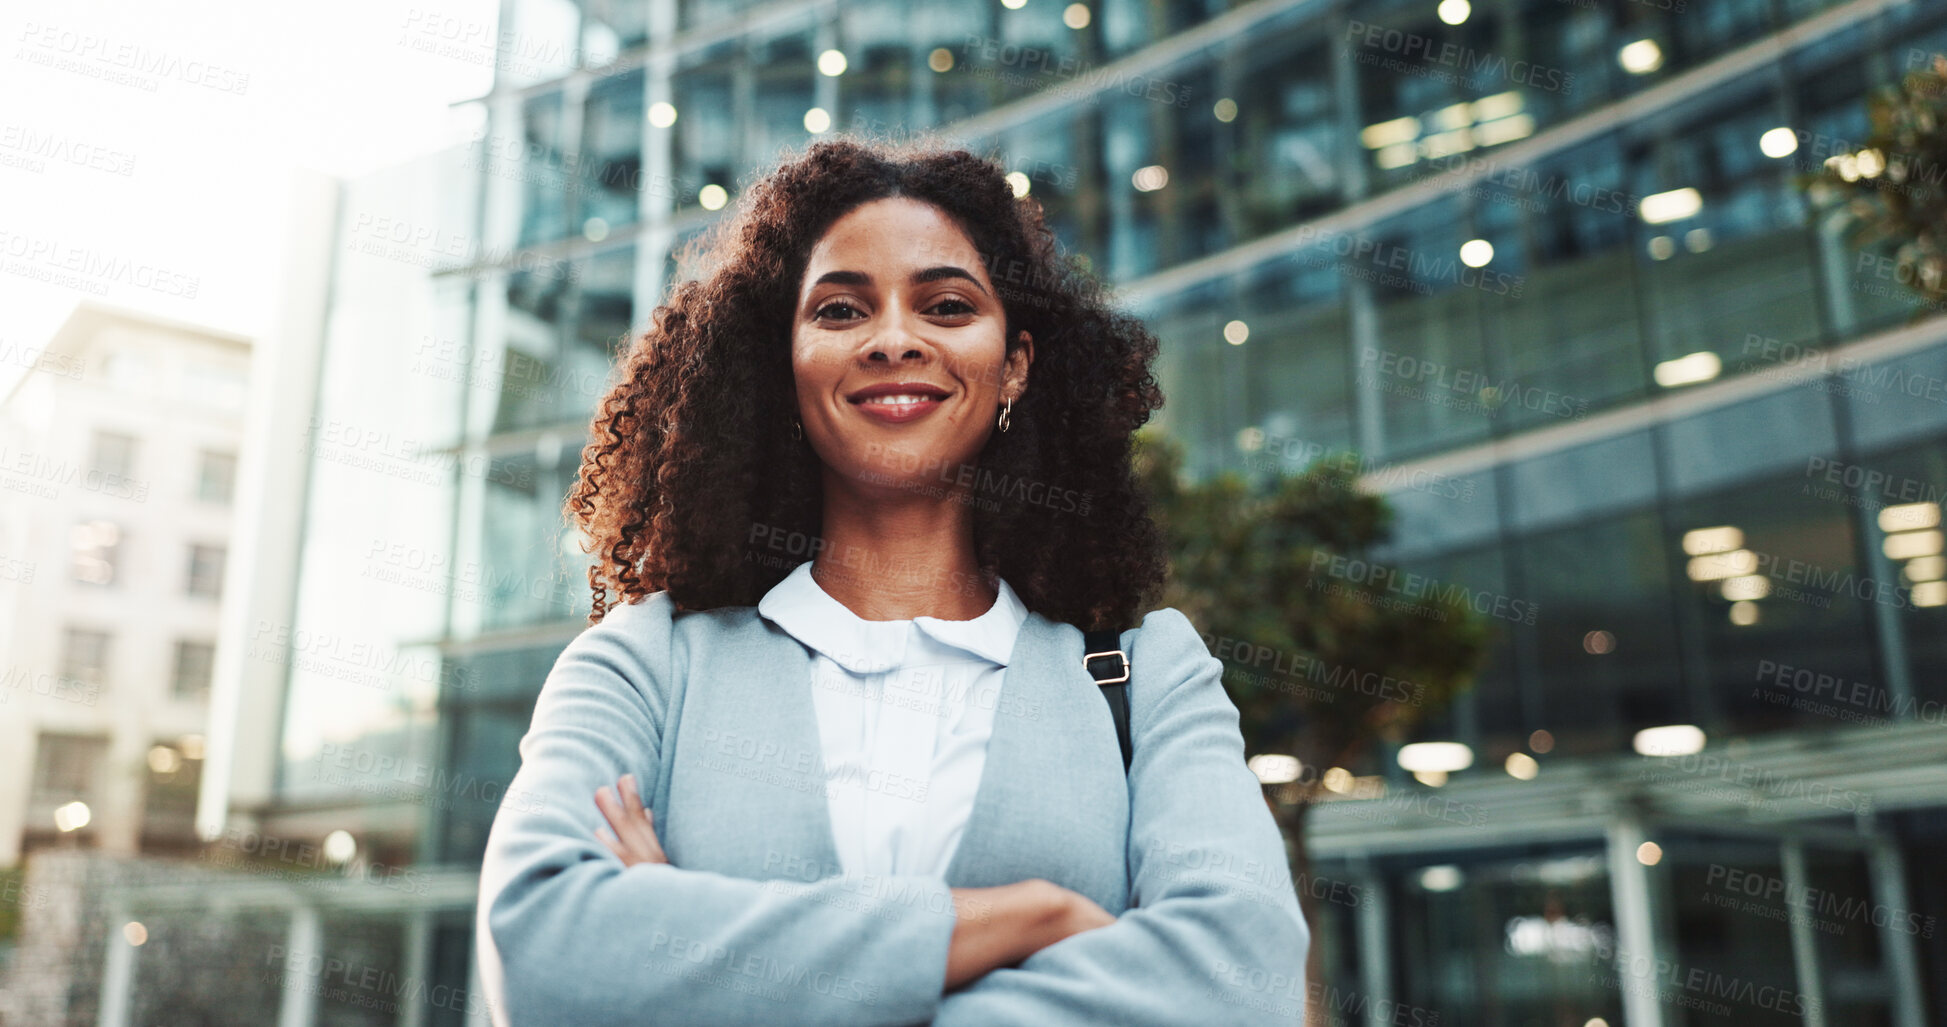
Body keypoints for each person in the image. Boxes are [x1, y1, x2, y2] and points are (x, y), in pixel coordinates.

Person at [474, 138, 1308, 1026]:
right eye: (839, 311)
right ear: (784, 365)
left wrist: (703, 968)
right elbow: (546, 948)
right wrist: (1028, 918)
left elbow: (1238, 985)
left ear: (1014, 366)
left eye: (946, 305)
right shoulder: (646, 664)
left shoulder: (1145, 681)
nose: (895, 340)